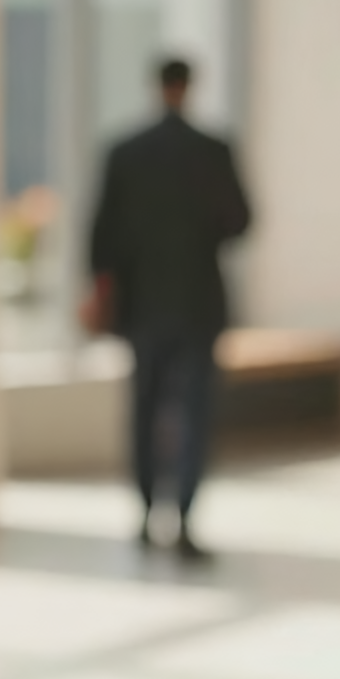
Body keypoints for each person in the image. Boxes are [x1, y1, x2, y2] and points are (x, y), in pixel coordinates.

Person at [84, 58, 252, 560]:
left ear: (156, 86)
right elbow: (240, 221)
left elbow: (100, 236)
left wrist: (104, 288)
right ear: (189, 87)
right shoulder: (212, 151)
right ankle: (183, 516)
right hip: (198, 300)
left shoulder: (125, 152)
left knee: (144, 406)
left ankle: (143, 511)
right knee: (194, 411)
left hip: (142, 303)